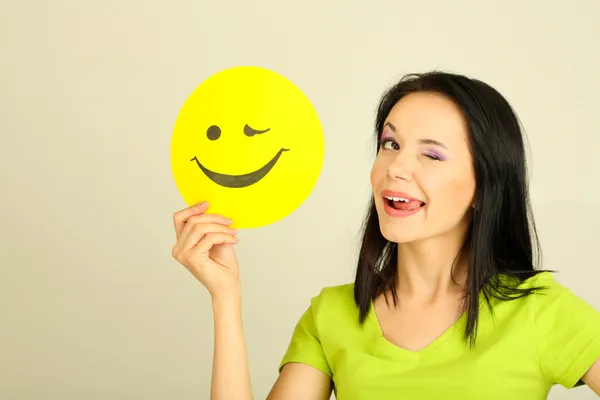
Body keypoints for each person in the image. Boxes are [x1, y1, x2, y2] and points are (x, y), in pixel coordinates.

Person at [171, 71, 600, 399]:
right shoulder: (331, 316)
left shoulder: (540, 311)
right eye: (390, 144)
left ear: (485, 187)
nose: (396, 167)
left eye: (431, 154)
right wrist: (224, 297)